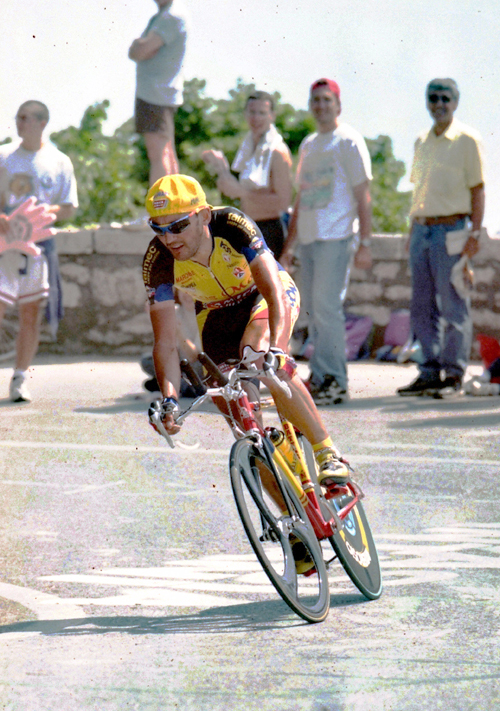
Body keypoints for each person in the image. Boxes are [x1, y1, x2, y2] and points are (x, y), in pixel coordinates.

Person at [142, 173, 350, 488]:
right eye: (159, 229)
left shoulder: (232, 225)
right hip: (215, 314)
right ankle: (290, 521)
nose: (169, 238)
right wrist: (169, 400)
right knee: (240, 418)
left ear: (204, 217)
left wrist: (278, 351)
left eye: (178, 226)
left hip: (262, 297)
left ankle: (327, 453)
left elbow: (274, 295)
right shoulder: (157, 260)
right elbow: (166, 343)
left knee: (257, 356)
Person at [281, 78, 373, 405]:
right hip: (308, 238)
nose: (320, 106)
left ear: (338, 104)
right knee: (314, 311)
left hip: (336, 237)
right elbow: (301, 198)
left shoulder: (348, 141)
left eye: (326, 100)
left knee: (327, 307)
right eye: (315, 100)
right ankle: (320, 377)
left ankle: (335, 380)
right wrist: (289, 247)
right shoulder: (308, 145)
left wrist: (365, 242)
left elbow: (363, 194)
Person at [397, 78, 485, 397]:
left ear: (456, 102)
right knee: (421, 306)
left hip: (452, 230)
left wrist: (474, 233)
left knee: (453, 304)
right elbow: (418, 191)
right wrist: (411, 232)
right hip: (422, 229)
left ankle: (454, 374)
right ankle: (429, 370)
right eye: (433, 98)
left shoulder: (467, 140)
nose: (439, 104)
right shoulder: (421, 141)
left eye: (445, 98)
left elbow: (478, 189)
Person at [0, 100, 78, 402]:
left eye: (25, 118)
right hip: (6, 246)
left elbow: (69, 208)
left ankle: (20, 378)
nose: (19, 124)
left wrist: (44, 213)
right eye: (17, 118)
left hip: (38, 247)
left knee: (30, 313)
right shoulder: (5, 156)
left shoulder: (59, 161)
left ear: (42, 122)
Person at [201, 91, 292, 259]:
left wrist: (243, 193)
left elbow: (283, 202)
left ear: (272, 116)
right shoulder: (249, 147)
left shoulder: (277, 152)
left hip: (270, 229)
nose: (256, 118)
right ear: (245, 114)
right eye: (252, 112)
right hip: (248, 225)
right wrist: (221, 167)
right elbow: (235, 190)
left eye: (262, 113)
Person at [128, 0, 189, 184]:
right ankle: (174, 205)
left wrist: (139, 46)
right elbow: (139, 50)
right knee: (165, 151)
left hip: (155, 93)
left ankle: (163, 206)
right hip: (160, 93)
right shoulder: (167, 15)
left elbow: (140, 51)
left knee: (158, 152)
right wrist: (138, 48)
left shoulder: (171, 16)